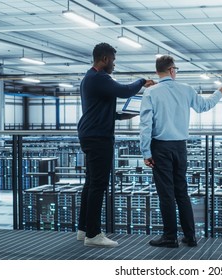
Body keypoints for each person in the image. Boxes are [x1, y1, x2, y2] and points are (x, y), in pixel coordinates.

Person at [139, 55, 222, 248]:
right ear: (172, 70)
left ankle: (170, 237)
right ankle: (190, 236)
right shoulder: (186, 89)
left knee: (166, 194)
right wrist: (219, 92)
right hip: (180, 147)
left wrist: (146, 152)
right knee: (181, 192)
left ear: (157, 71)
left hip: (160, 147)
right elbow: (203, 106)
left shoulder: (150, 93)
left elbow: (146, 125)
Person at [77, 42, 154, 247]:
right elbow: (125, 90)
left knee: (91, 183)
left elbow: (99, 109)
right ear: (105, 59)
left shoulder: (89, 78)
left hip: (90, 133)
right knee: (98, 185)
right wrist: (142, 81)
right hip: (98, 137)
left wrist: (123, 115)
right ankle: (93, 235)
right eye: (113, 60)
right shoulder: (99, 77)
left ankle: (83, 229)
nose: (114, 64)